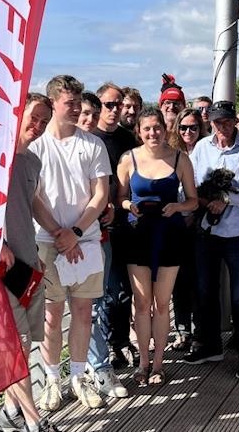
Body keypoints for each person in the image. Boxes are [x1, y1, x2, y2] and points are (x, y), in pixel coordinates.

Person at [29, 75, 110, 411]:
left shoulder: (93, 144)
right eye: (70, 103)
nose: (77, 109)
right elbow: (33, 196)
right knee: (51, 314)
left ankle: (78, 375)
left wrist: (74, 232)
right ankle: (51, 379)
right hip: (46, 240)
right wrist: (59, 233)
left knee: (83, 312)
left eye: (79, 103)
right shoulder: (36, 145)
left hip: (85, 241)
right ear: (53, 104)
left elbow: (101, 194)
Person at [183, 100, 239, 380]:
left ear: (235, 121)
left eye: (228, 121)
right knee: (205, 293)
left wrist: (227, 200)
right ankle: (211, 346)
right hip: (207, 233)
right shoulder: (202, 149)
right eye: (218, 122)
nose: (223, 127)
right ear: (211, 123)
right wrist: (207, 201)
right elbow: (190, 187)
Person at [117, 107, 198, 386]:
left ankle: (159, 364)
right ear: (138, 131)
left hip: (169, 234)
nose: (153, 133)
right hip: (138, 233)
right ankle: (142, 363)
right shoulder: (128, 158)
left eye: (157, 127)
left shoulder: (180, 159)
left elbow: (193, 201)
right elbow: (120, 198)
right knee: (141, 304)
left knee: (162, 304)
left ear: (165, 129)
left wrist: (177, 206)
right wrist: (130, 205)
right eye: (147, 128)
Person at [0, 93, 61, 432]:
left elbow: (31, 204)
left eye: (44, 122)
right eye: (33, 118)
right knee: (15, 343)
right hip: (0, 265)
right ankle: (35, 422)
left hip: (26, 259)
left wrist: (53, 234)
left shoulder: (32, 161)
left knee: (24, 341)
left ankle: (8, 414)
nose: (37, 126)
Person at [87, 82, 136, 398]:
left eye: (119, 104)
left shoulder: (126, 139)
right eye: (109, 104)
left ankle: (118, 344)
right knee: (98, 297)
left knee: (121, 293)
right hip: (91, 231)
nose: (115, 109)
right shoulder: (89, 139)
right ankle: (97, 360)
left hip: (120, 227)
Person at [167, 107, 207, 350]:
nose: (188, 132)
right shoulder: (170, 154)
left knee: (199, 282)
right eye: (183, 127)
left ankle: (200, 331)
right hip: (176, 225)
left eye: (193, 127)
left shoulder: (207, 152)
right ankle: (182, 331)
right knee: (179, 281)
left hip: (201, 224)